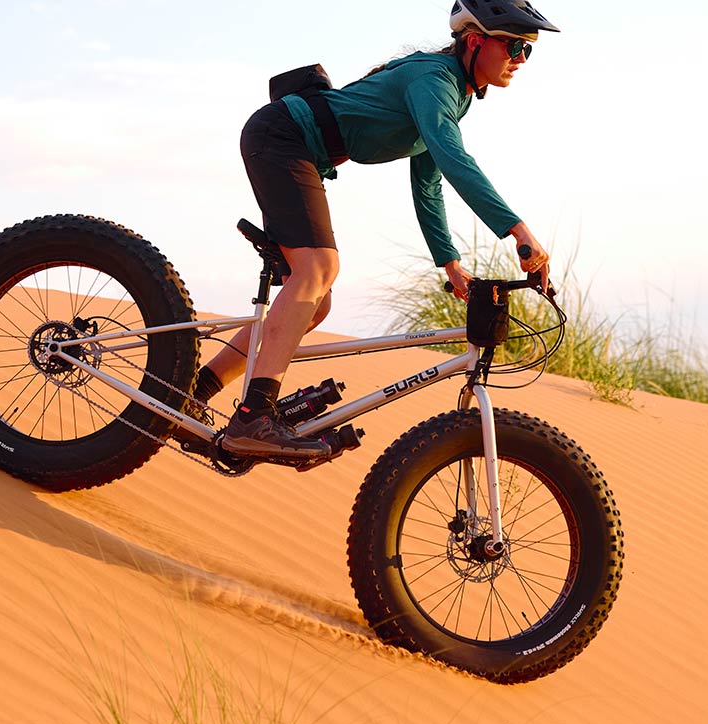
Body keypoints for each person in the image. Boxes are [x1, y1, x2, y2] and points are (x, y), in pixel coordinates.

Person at [196, 0, 559, 459]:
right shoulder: (436, 80)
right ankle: (254, 418)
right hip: (283, 138)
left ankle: (196, 389)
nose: (520, 60)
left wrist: (450, 264)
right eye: (514, 46)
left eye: (529, 51)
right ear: (475, 41)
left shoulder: (454, 94)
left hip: (292, 147)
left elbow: (428, 182)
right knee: (319, 269)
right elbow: (453, 158)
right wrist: (517, 230)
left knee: (314, 302)